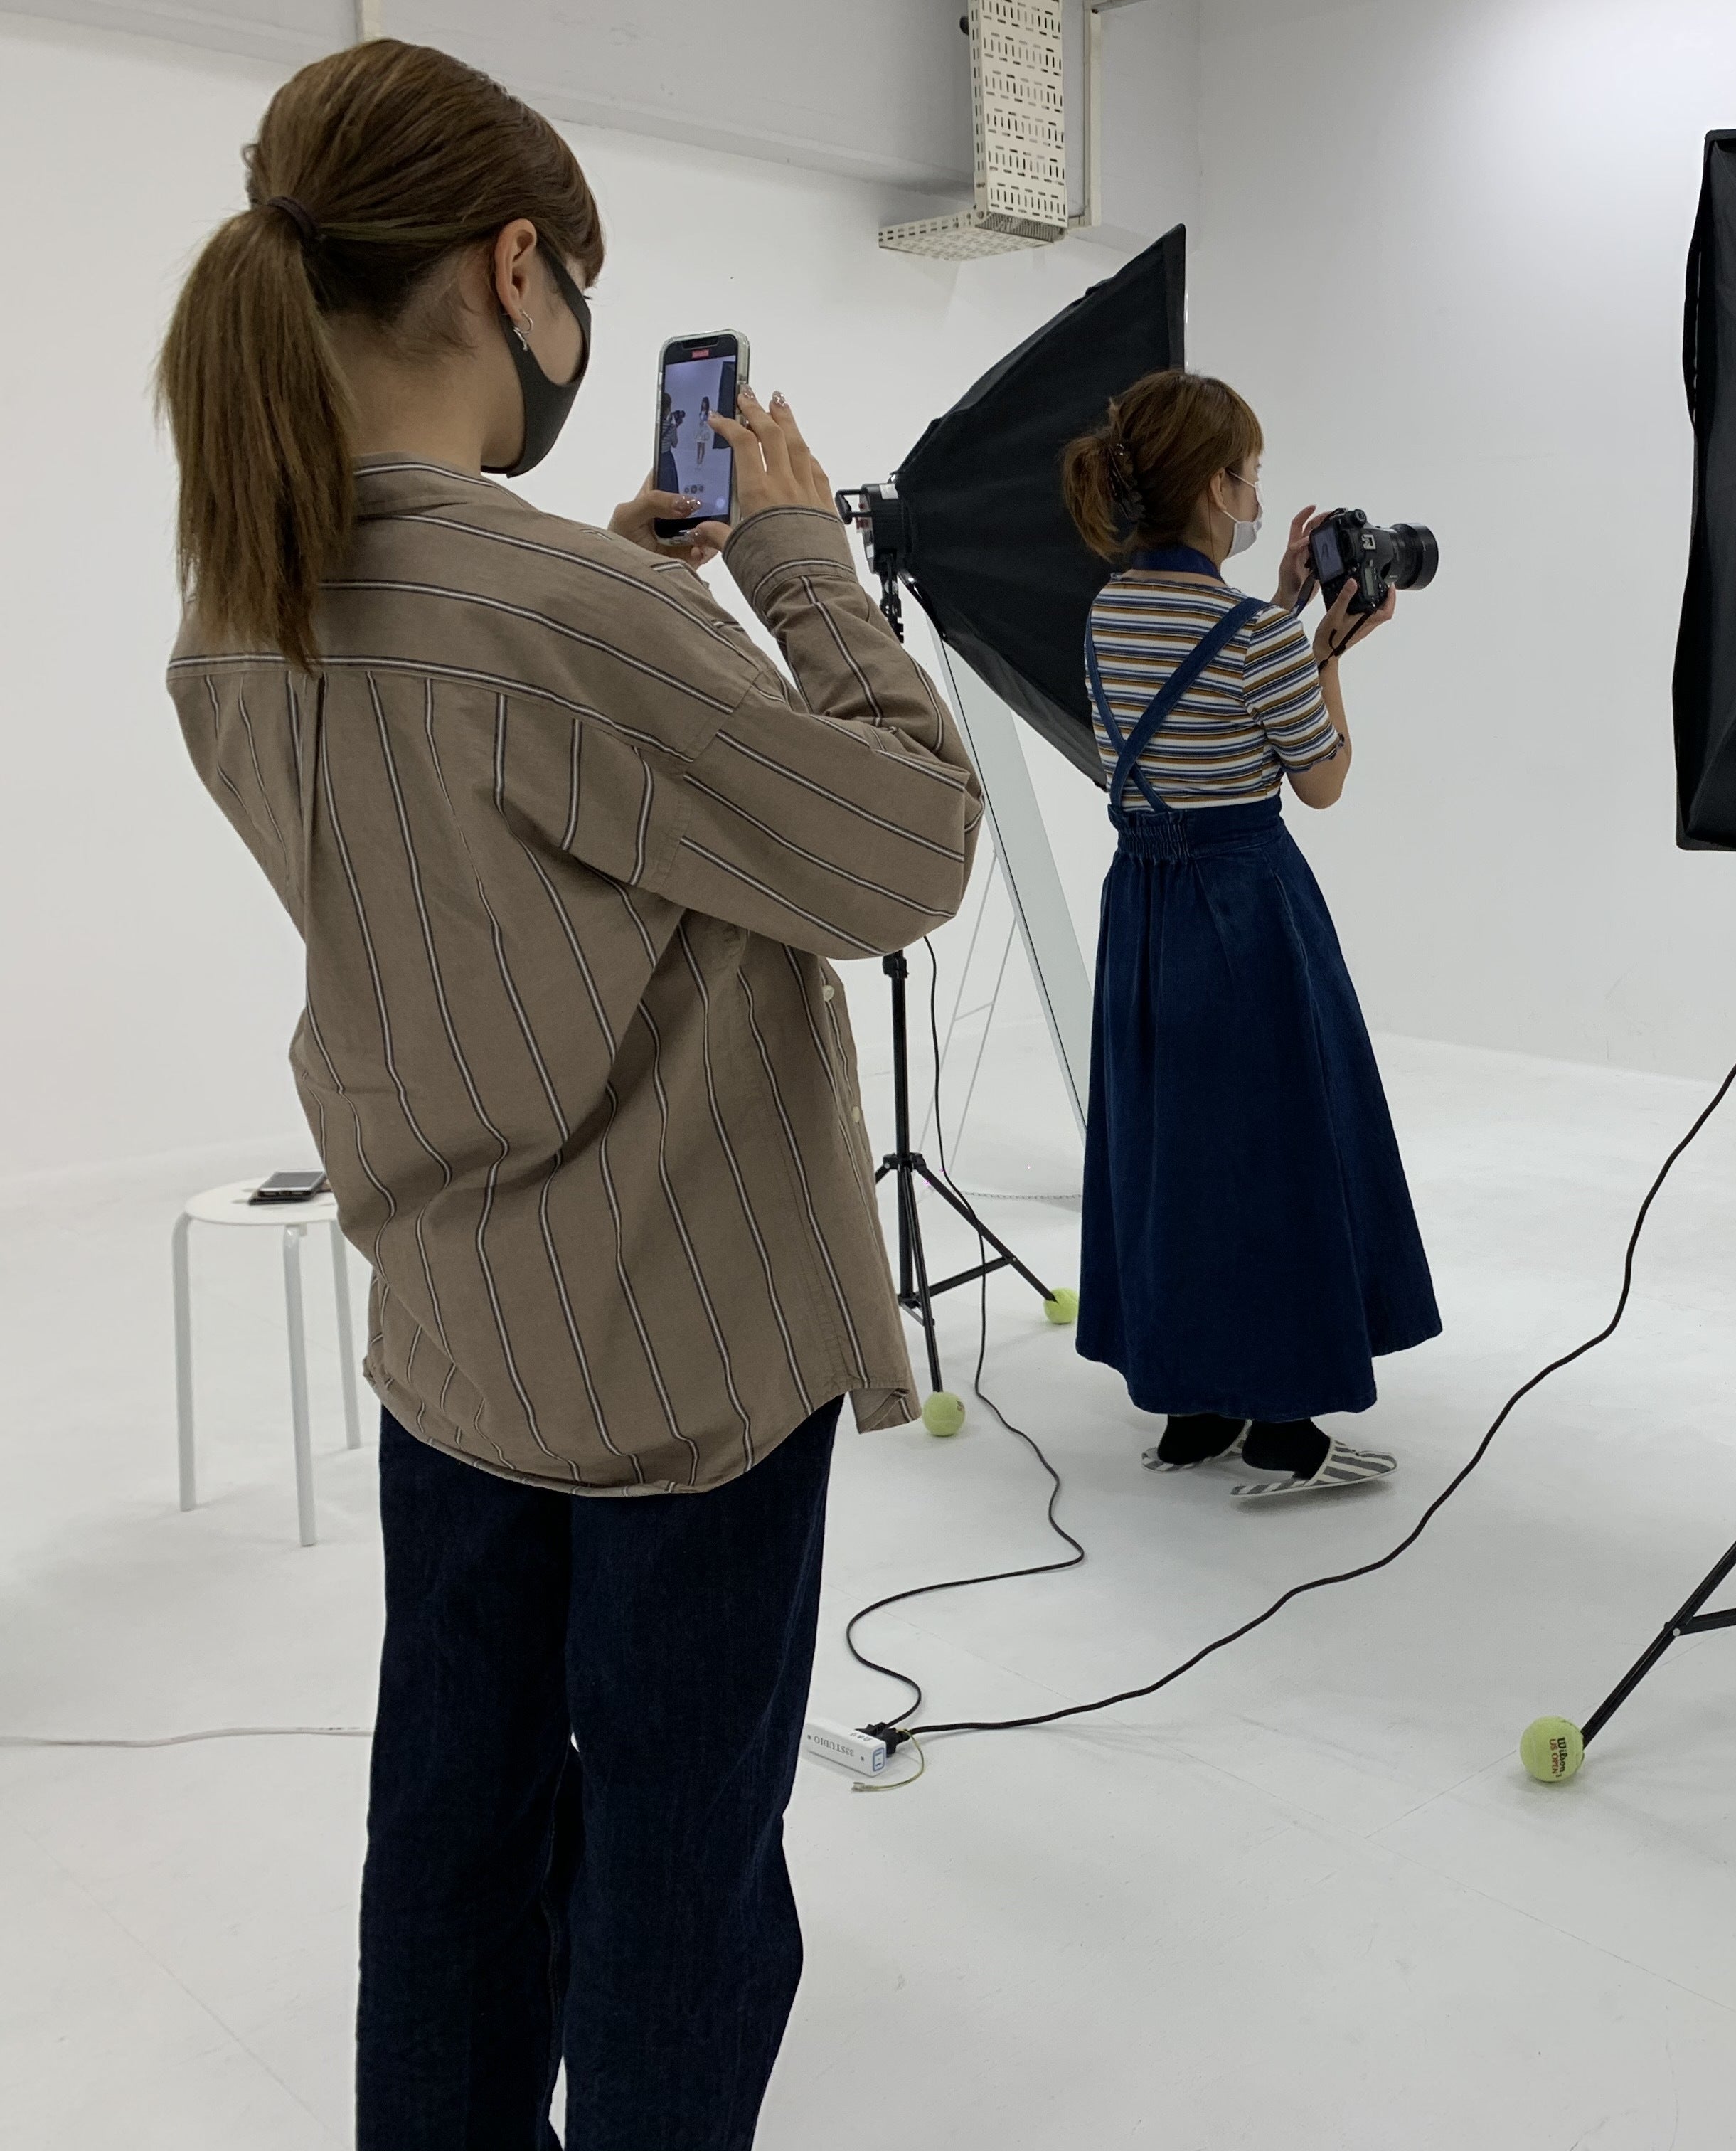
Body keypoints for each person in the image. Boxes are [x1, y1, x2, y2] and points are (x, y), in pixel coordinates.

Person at [156, 41, 982, 2147]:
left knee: (452, 1836)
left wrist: (632, 606)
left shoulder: (237, 619)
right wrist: (795, 570)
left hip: (454, 1348)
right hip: (680, 1370)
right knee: (677, 1870)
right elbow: (907, 854)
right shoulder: (571, 619)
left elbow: (484, 847)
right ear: (515, 269)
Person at [1060, 371, 1440, 1500]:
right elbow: (1321, 779)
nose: (1262, 495)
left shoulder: (1107, 612)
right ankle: (1283, 1429)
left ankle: (1195, 1406)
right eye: (1253, 473)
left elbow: (1197, 696)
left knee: (1172, 1149)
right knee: (1274, 1154)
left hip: (1143, 909)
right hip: (1245, 909)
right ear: (1218, 487)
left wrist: (1279, 620)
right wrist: (1325, 647)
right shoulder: (1256, 640)